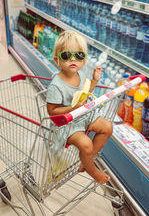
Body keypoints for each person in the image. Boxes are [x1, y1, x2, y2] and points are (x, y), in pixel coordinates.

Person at [46, 30, 112, 184]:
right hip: (65, 123)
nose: (73, 59)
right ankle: (93, 170)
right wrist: (72, 108)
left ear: (84, 59)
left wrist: (94, 81)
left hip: (81, 115)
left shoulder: (81, 75)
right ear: (57, 60)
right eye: (66, 56)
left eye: (79, 55)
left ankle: (86, 160)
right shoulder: (56, 86)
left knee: (107, 127)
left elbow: (84, 93)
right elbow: (51, 112)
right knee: (86, 144)